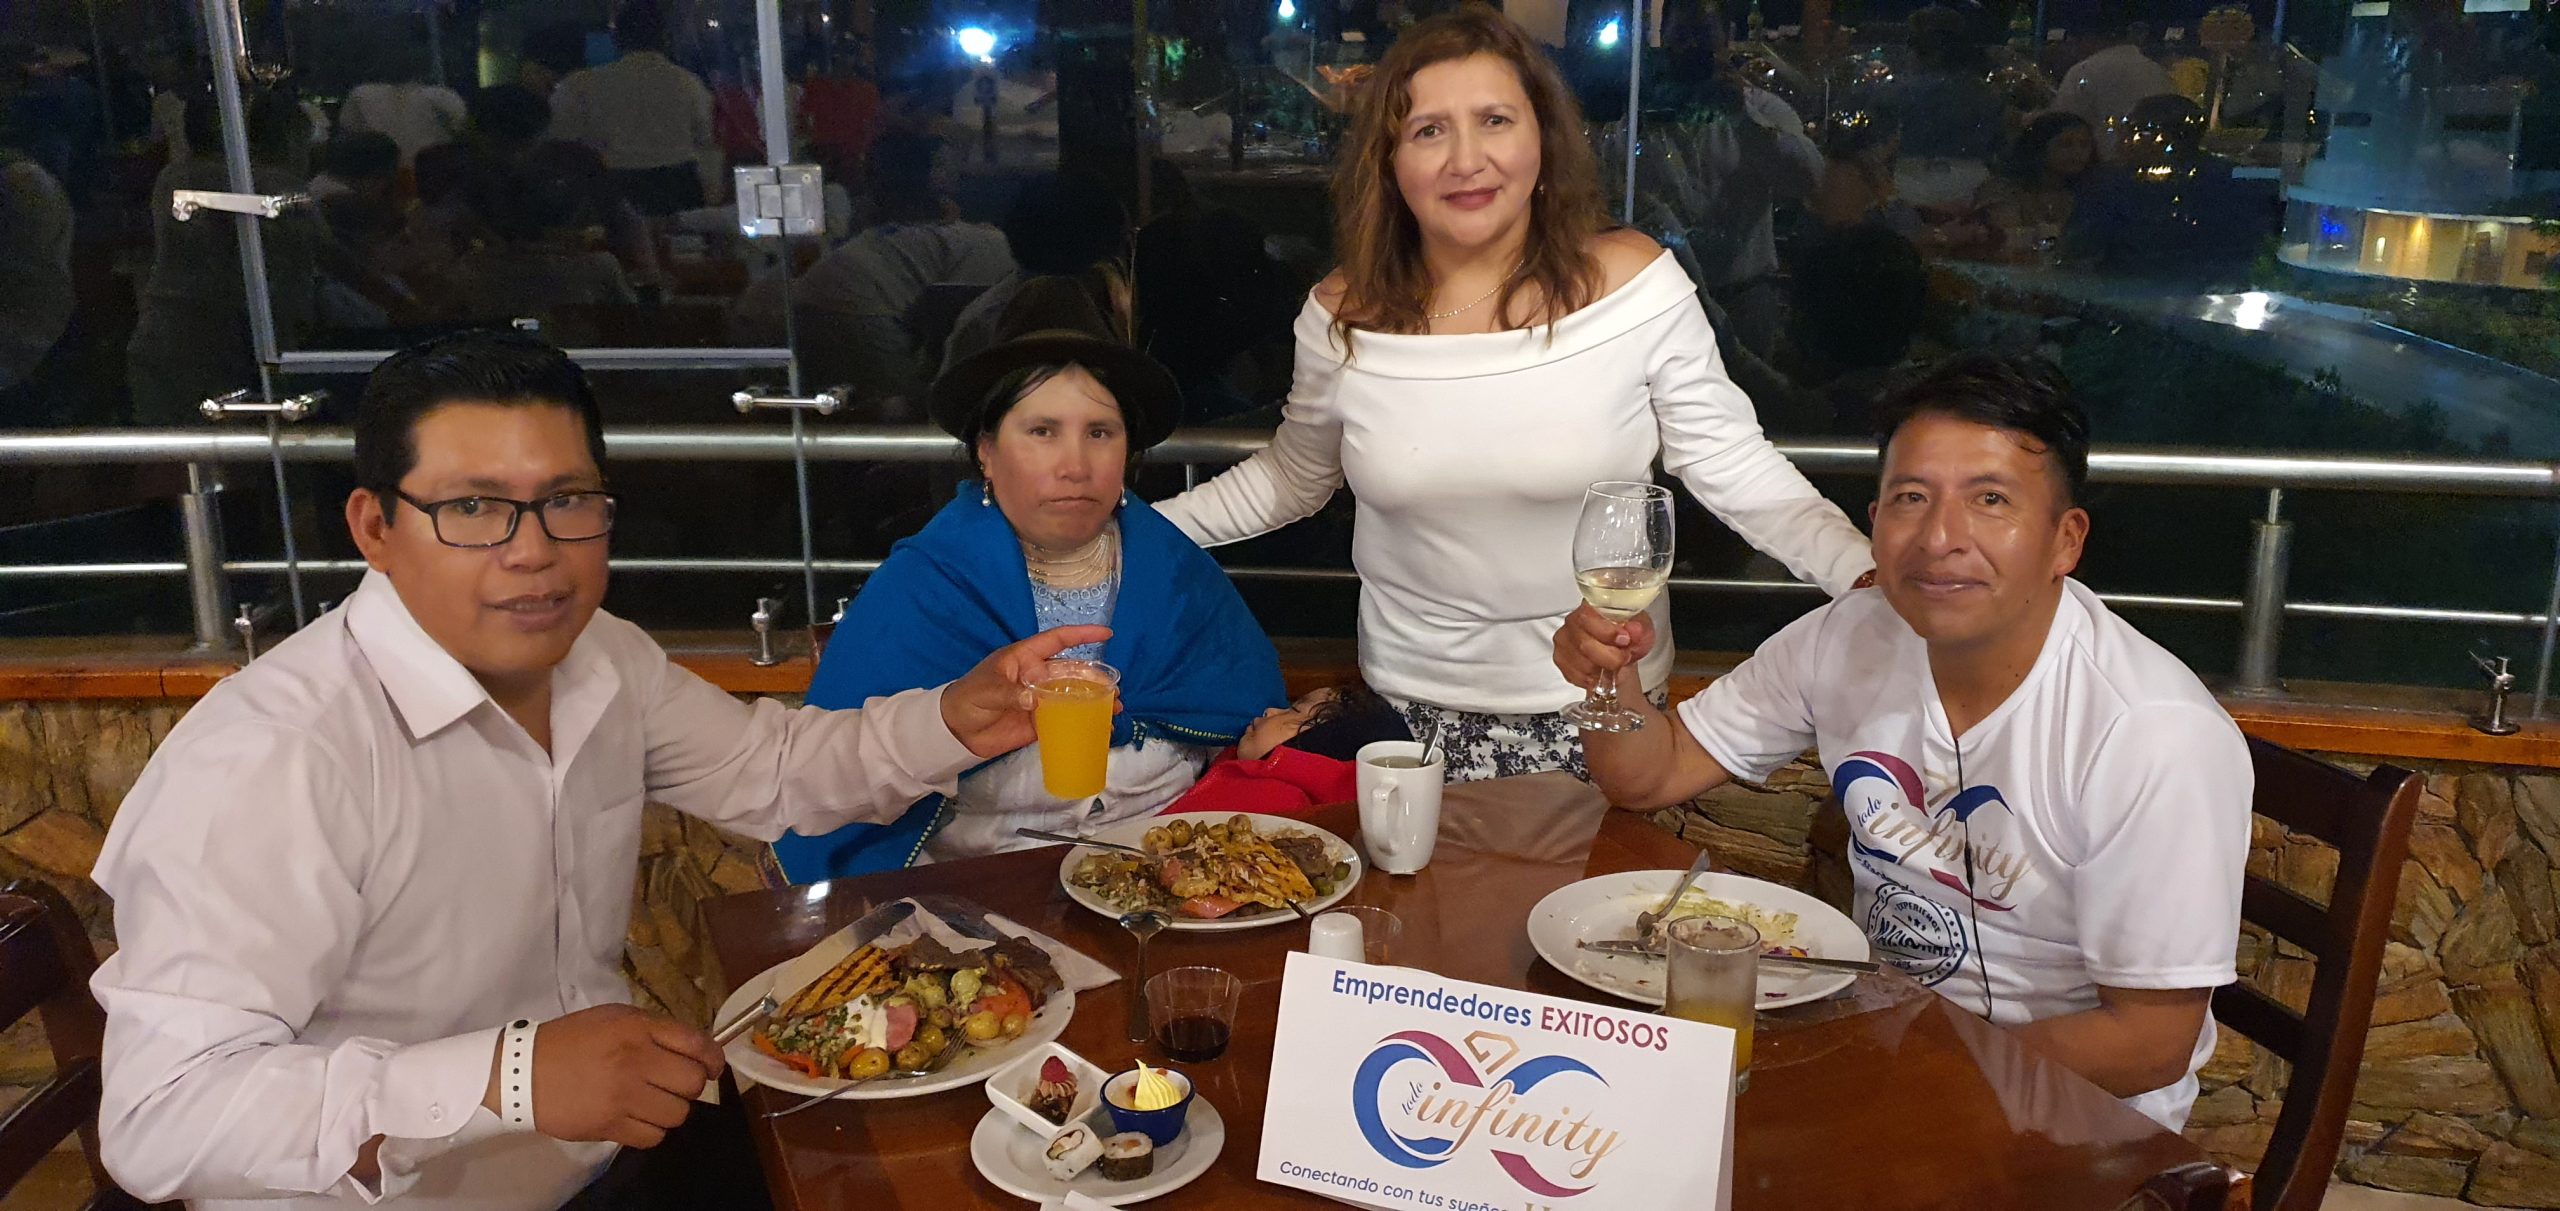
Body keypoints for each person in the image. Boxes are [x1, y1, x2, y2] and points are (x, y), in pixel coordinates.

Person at [89, 329, 1099, 1209]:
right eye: (474, 506)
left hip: (606, 1162)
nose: (532, 551)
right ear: (375, 527)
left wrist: (954, 719)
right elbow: (161, 1113)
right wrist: (507, 1076)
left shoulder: (598, 656)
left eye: (566, 499)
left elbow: (773, 769)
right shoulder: (275, 756)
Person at [1156, 5, 1874, 781]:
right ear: (1389, 162)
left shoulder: (1632, 285)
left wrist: (1863, 573)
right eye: (1429, 130)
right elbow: (1291, 479)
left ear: (1543, 139)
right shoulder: (1343, 314)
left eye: (1494, 120)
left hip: (1601, 703)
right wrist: (1126, 530)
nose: (1466, 160)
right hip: (1404, 712)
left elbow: (1730, 463)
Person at [1553, 353, 2250, 1131]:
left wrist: (1917, 1077)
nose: (1941, 536)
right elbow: (1650, 774)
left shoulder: (2152, 733)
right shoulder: (1850, 635)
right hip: (1885, 1055)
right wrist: (1610, 673)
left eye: (1990, 499)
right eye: (1911, 498)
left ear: (2066, 539)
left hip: (2071, 1124)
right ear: (1876, 520)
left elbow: (2150, 1043)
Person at [775, 278, 1285, 879]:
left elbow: (1236, 722)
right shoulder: (924, 590)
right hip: (981, 886)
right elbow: (839, 780)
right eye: (1042, 432)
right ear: (987, 452)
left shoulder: (1180, 574)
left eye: (1100, 433)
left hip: (1163, 870)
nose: (1075, 465)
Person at [548, 0, 719, 214]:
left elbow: (561, 138)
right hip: (678, 187)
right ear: (665, 38)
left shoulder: (581, 85)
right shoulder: (689, 83)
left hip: (609, 189)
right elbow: (706, 138)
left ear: (617, 38)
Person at [1164, 681, 1415, 817]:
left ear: (1317, 742)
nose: (1270, 711)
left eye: (1294, 710)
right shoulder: (1253, 773)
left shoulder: (1279, 802)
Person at [1972, 111, 2095, 260]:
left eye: (2084, 145)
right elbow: (2008, 240)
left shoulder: (2088, 193)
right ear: (2039, 148)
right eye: (2065, 144)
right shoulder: (2001, 190)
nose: (2077, 152)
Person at [2051, 26, 2175, 155]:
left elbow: (2061, 127)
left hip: (2105, 161)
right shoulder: (2157, 71)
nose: (2073, 51)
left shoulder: (2083, 72)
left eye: (2073, 43)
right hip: (2157, 157)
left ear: (2088, 39)